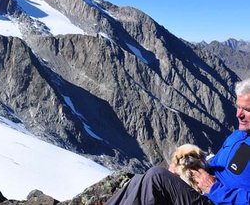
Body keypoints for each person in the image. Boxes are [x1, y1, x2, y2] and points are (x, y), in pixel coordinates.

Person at [106, 77, 250, 204]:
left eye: (247, 109)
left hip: (217, 199)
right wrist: (185, 170)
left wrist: (214, 188)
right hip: (204, 192)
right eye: (238, 107)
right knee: (140, 180)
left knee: (157, 177)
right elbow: (214, 164)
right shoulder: (237, 136)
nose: (238, 114)